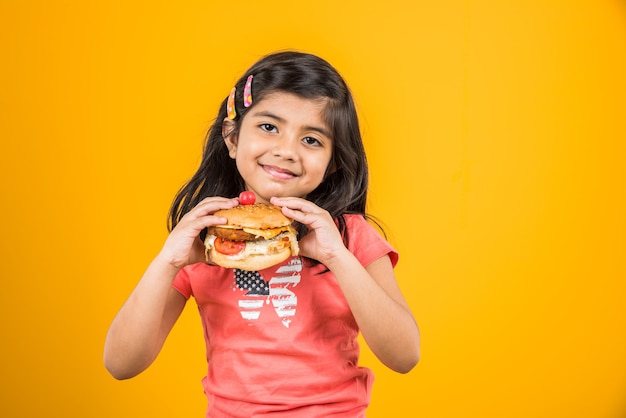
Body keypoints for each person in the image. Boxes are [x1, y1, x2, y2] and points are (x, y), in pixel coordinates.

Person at [104, 50, 420, 417]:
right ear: (233, 137)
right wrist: (168, 262)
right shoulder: (207, 240)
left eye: (312, 140)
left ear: (333, 162)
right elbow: (121, 363)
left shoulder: (349, 237)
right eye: (269, 127)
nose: (286, 151)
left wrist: (337, 257)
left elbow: (404, 355)